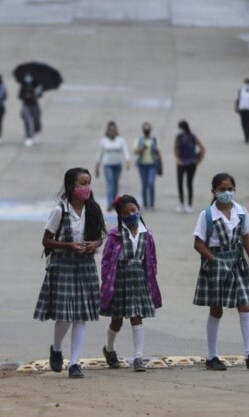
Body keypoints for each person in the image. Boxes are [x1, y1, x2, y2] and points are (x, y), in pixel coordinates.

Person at [34, 168, 107, 379]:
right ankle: (56, 348)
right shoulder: (60, 211)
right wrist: (68, 246)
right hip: (64, 264)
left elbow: (101, 237)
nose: (86, 188)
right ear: (71, 187)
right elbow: (46, 240)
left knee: (81, 316)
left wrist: (93, 244)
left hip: (85, 265)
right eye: (82, 184)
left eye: (88, 183)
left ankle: (75, 363)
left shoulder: (93, 209)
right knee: (64, 314)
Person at [191, 173, 249, 371]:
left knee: (245, 305)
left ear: (235, 190)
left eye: (230, 189)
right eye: (222, 189)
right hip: (216, 264)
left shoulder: (241, 212)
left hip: (237, 263)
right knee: (216, 309)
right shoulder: (207, 215)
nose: (226, 193)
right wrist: (214, 260)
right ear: (214, 191)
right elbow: (198, 243)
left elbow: (246, 238)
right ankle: (212, 356)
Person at [100, 195, 161, 372]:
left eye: (133, 210)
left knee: (137, 317)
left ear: (138, 209)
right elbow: (106, 260)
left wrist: (150, 279)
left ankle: (138, 357)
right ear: (120, 216)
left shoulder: (147, 235)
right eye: (126, 213)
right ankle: (109, 349)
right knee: (116, 320)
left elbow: (152, 259)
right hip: (119, 279)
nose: (131, 215)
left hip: (139, 278)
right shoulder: (115, 235)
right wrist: (106, 281)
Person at [95, 121, 131, 210]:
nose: (112, 132)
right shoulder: (104, 140)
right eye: (110, 130)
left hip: (117, 165)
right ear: (107, 131)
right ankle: (110, 203)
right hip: (107, 165)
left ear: (116, 131)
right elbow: (99, 154)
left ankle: (114, 201)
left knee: (115, 184)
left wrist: (127, 161)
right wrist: (97, 166)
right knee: (110, 183)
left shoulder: (120, 140)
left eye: (114, 130)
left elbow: (125, 151)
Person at [173, 120, 205, 213]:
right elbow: (175, 149)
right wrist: (178, 160)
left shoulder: (192, 137)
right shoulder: (178, 137)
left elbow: (203, 149)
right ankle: (181, 203)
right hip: (181, 163)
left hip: (191, 163)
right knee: (179, 183)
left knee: (189, 183)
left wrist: (199, 160)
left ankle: (190, 204)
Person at [133, 122, 161, 211]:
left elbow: (158, 151)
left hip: (152, 164)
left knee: (151, 183)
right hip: (142, 165)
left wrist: (160, 164)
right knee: (144, 184)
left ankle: (152, 204)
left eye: (148, 128)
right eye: (145, 128)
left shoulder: (154, 140)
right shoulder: (139, 140)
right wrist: (142, 148)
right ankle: (145, 203)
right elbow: (135, 151)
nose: (146, 130)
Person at [19, 74, 43, 147]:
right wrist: (26, 95)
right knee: (27, 120)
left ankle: (34, 133)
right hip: (26, 105)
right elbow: (20, 95)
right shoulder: (23, 85)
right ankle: (28, 137)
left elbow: (40, 95)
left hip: (34, 105)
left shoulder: (36, 84)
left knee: (36, 120)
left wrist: (36, 95)